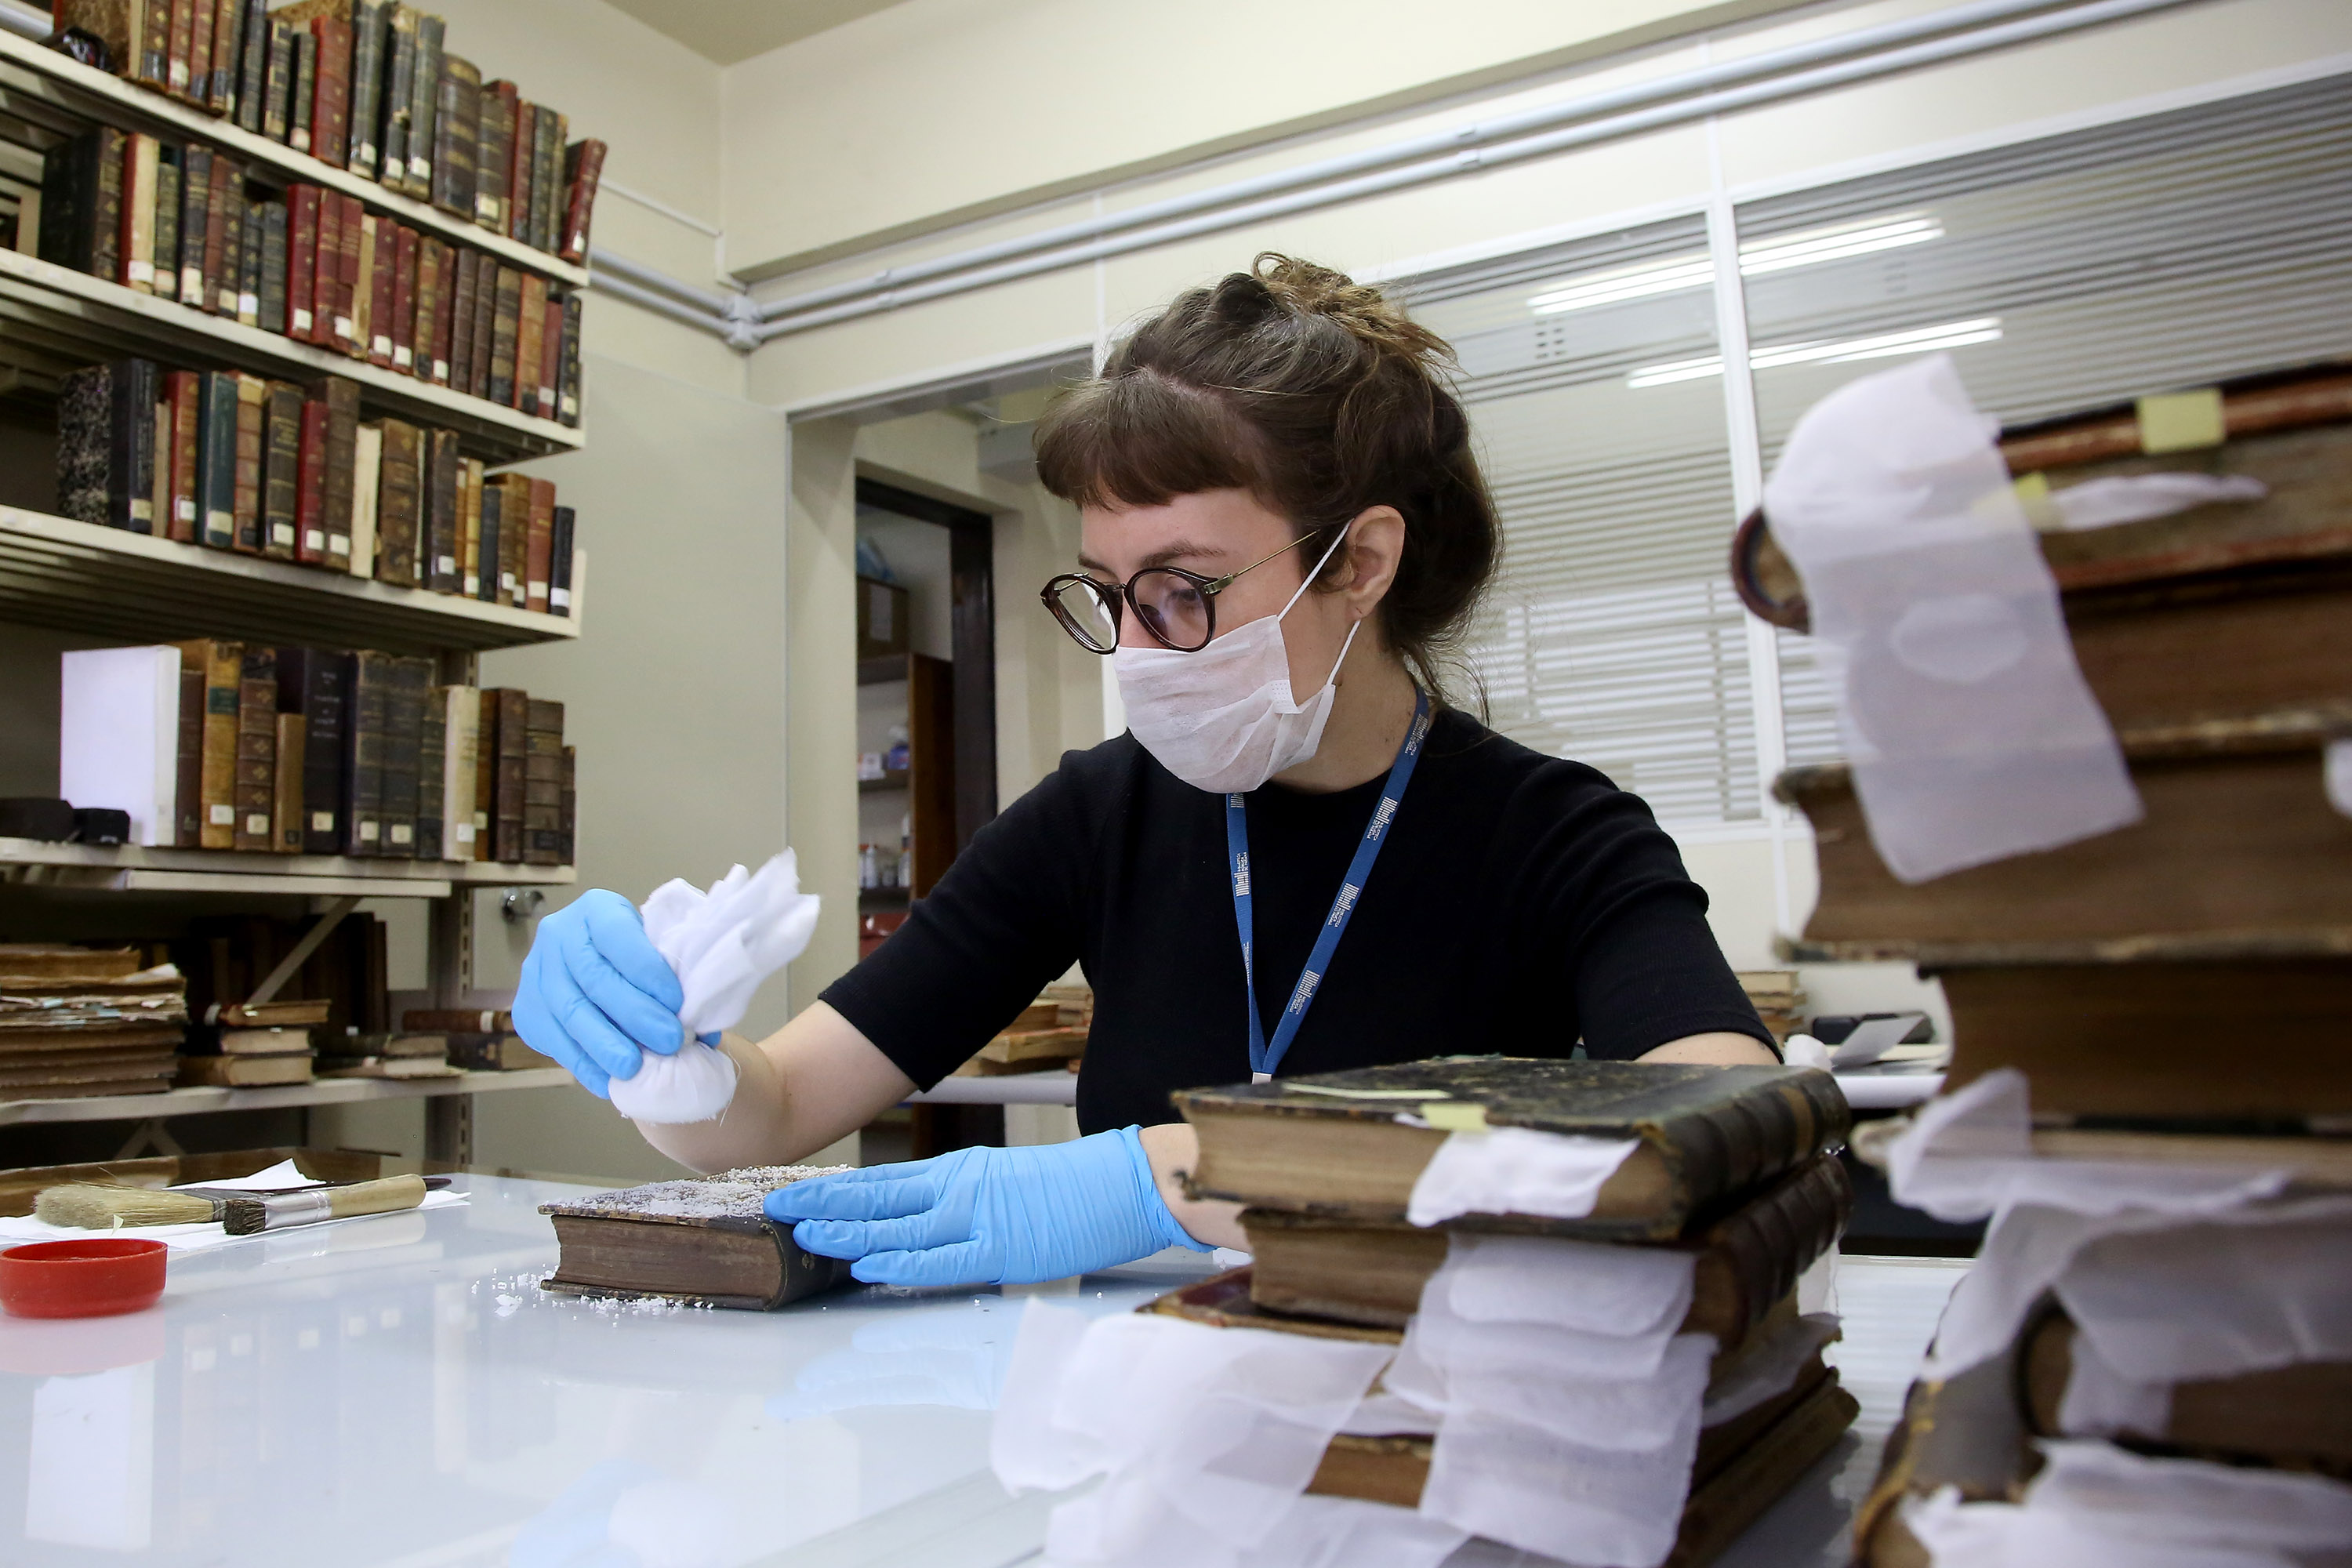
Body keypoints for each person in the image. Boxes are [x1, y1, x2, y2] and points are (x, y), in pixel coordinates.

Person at [513, 254, 1779, 1291]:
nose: (1137, 647)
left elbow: (1725, 1119)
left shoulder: (1552, 834)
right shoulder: (1096, 815)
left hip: (1444, 1411)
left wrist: (1169, 1176)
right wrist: (669, 1066)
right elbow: (780, 1108)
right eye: (1112, 596)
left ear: (1360, 562)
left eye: (1183, 591)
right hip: (1133, 1415)